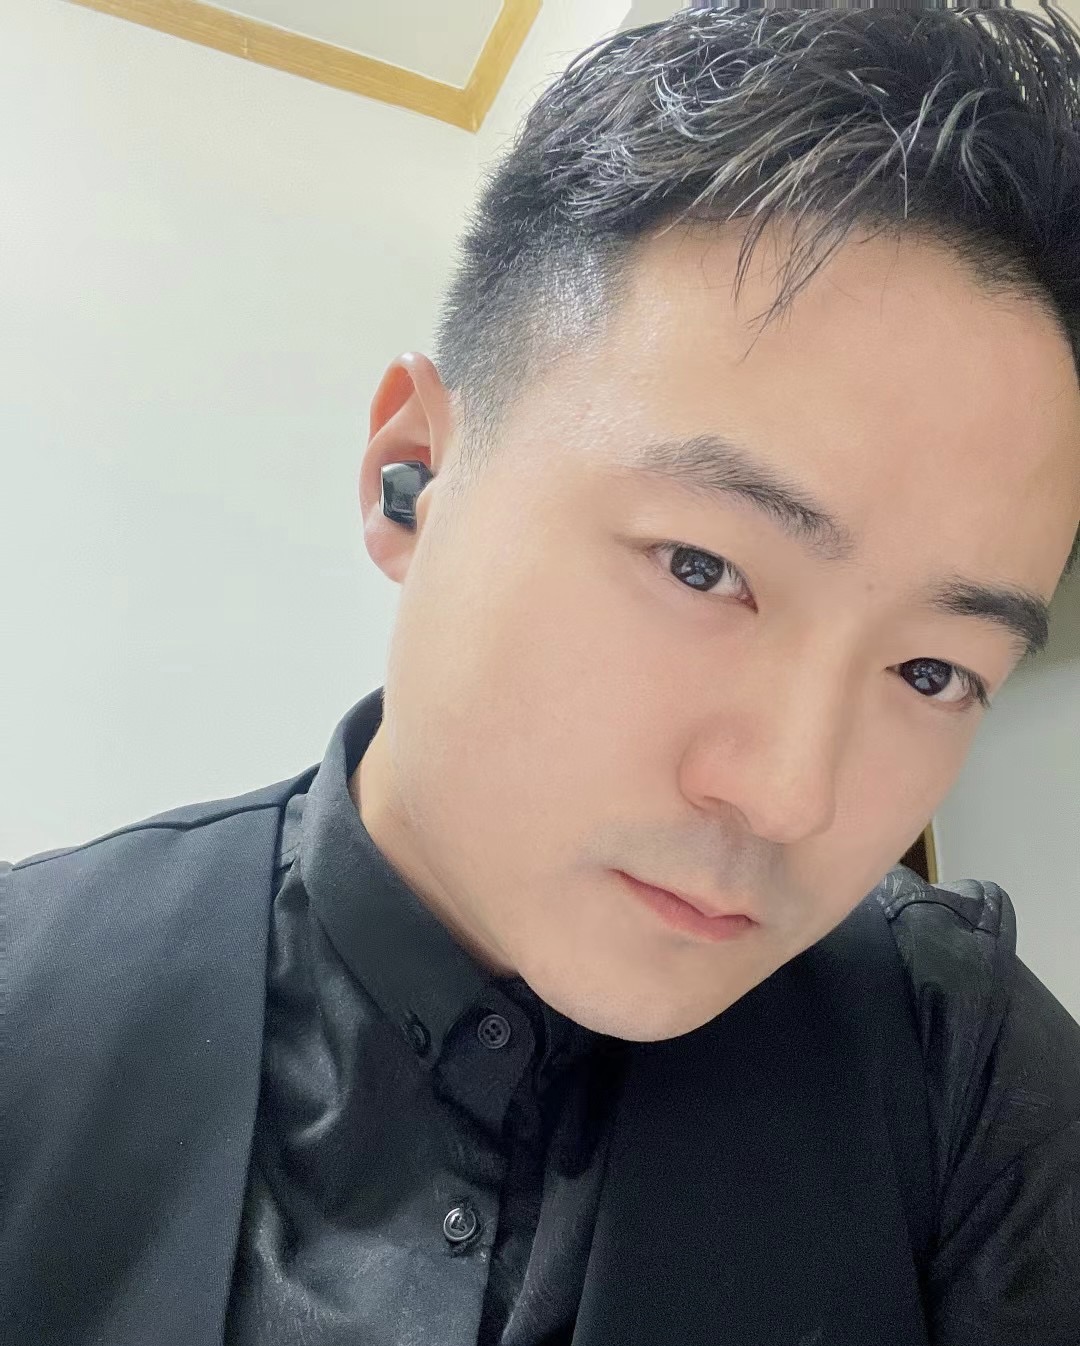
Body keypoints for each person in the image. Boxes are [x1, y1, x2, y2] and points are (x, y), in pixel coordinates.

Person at [3, 5, 1080, 1345]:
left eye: (931, 670)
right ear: (413, 473)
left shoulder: (956, 1063)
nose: (791, 797)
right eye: (702, 566)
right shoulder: (29, 1000)